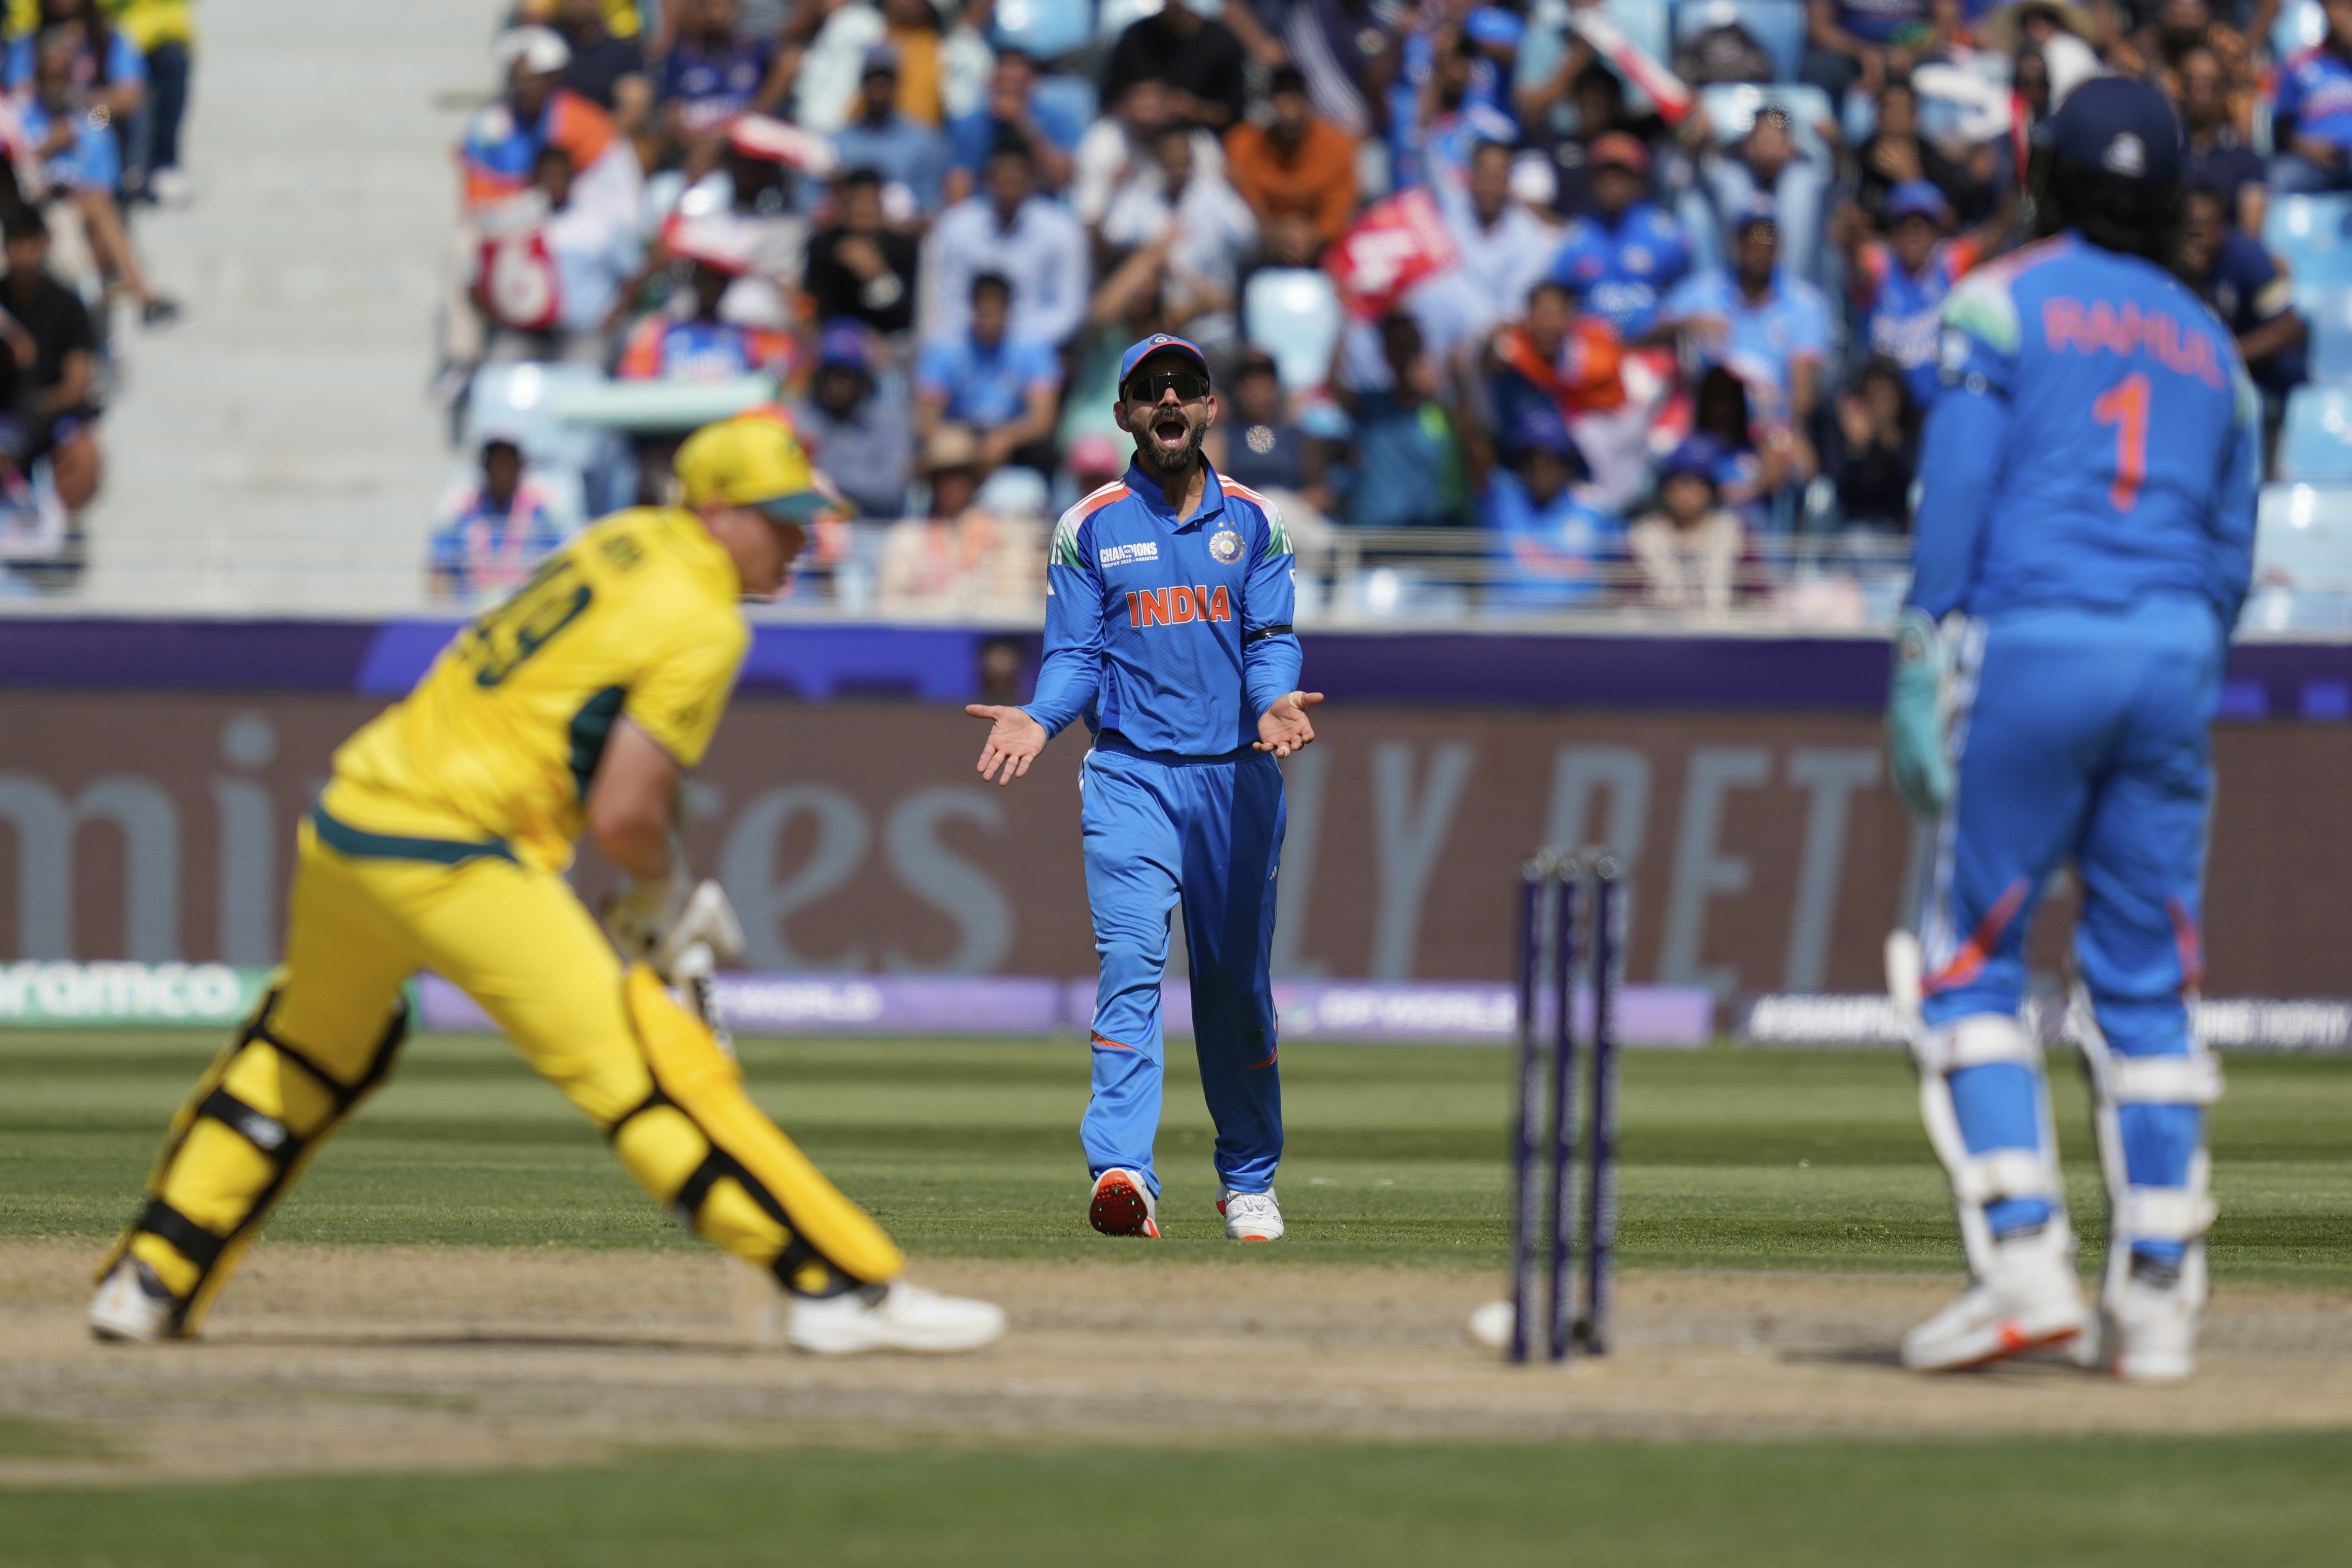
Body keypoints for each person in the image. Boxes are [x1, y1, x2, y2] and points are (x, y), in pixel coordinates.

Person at [87, 411, 1005, 1356]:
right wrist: (659, 898)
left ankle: (151, 1276)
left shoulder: (620, 539)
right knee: (646, 1077)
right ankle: (837, 1283)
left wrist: (651, 878)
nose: (802, 539)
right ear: (720, 513)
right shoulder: (703, 620)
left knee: (306, 1054)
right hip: (457, 851)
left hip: (352, 817)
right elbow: (625, 813)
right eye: (781, 519)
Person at [1886, 78, 2254, 1382]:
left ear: (2043, 170)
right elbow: (2225, 553)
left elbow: (1960, 489)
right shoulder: (2212, 345)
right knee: (2147, 986)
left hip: (2030, 641)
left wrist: (1924, 644)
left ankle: (2024, 1262)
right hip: (2166, 656)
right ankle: (2155, 1300)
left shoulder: (2000, 298)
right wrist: (2171, 662)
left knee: (1961, 960)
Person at [962, 332, 1319, 1244]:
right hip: (1129, 777)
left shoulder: (1257, 521)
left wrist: (1274, 699)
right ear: (1123, 413)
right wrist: (1041, 719)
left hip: (1237, 780)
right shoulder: (1089, 526)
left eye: (1186, 388)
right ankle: (1122, 1169)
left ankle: (1247, 1179)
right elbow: (1076, 655)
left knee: (1236, 988)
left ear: (1209, 409)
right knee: (1130, 970)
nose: (1169, 401)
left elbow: (1269, 637)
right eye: (1149, 390)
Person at [1660, 201, 1833, 428]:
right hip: (1707, 426)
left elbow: (1803, 393)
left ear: (1780, 248)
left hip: (1771, 428)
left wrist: (1785, 438)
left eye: (1767, 241)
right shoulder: (1702, 292)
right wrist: (1686, 324)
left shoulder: (1806, 302)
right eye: (1752, 241)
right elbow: (1647, 341)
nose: (1760, 250)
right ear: (1737, 245)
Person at [1842, 180, 1988, 410]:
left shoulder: (1950, 261)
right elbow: (1859, 275)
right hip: (1883, 412)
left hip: (1938, 405)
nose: (1914, 232)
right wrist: (1852, 243)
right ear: (1892, 231)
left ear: (1937, 232)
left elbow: (1995, 238)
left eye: (1924, 224)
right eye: (1905, 224)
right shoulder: (1879, 262)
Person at [929, 138, 1088, 349]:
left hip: (1036, 349)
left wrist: (1015, 340)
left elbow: (1069, 311)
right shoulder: (955, 228)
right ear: (987, 180)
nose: (1008, 188)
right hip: (968, 346)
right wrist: (983, 333)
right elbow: (947, 303)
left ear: (1031, 181)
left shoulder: (1063, 230)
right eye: (1002, 178)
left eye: (1016, 179)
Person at [1543, 133, 1691, 342]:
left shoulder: (1666, 233)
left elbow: (1686, 293)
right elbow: (1557, 295)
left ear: (1638, 182)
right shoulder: (1575, 237)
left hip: (1653, 349)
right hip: (1593, 353)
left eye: (1621, 176)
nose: (1612, 184)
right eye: (1604, 176)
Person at [1329, 312, 1471, 528]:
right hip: (1376, 533)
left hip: (1429, 534)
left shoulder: (1441, 407)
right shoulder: (1370, 405)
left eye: (1410, 346)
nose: (1404, 356)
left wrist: (1443, 392)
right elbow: (1334, 385)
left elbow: (1471, 446)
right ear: (1386, 353)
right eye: (1397, 347)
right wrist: (1348, 319)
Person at [0, 206, 101, 509]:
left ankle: (63, 539)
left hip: (52, 415)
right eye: (13, 242)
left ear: (45, 242)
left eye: (28, 241)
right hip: (5, 414)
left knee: (84, 458)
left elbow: (78, 381)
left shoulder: (67, 305)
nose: (21, 252)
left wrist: (43, 406)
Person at [914, 272, 1063, 475]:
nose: (990, 319)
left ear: (1009, 308)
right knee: (938, 454)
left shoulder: (1034, 348)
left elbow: (1043, 419)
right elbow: (927, 421)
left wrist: (1006, 438)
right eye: (984, 310)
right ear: (973, 307)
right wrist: (966, 446)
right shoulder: (943, 348)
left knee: (1045, 452)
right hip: (959, 437)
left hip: (1013, 440)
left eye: (997, 310)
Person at [2175, 184, 2307, 403]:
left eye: (2204, 229)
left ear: (2222, 228)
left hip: (2248, 358)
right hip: (2185, 360)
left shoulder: (2247, 256)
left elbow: (2290, 329)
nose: (2196, 238)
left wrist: (2226, 354)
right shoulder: (2169, 262)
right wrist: (2188, 279)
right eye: (2189, 229)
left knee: (2290, 365)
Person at [1481, 410, 1621, 612]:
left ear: (1567, 465)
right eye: (1530, 461)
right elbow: (1476, 451)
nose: (1539, 470)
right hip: (1506, 635)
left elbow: (1616, 576)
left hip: (1570, 636)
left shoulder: (1594, 514)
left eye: (1549, 461)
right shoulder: (1502, 500)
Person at [1222, 66, 1359, 254]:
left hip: (1319, 244)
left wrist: (1313, 236)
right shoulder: (1242, 143)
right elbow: (1242, 198)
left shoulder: (1338, 146)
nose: (1289, 111)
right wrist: (1272, 232)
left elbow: (1339, 206)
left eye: (1296, 97)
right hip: (1262, 240)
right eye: (1281, 98)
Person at [427, 436, 572, 599]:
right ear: (484, 466)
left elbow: (563, 564)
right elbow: (439, 573)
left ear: (520, 466)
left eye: (508, 462)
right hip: (470, 612)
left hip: (527, 611)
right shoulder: (460, 511)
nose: (502, 470)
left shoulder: (543, 510)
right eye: (495, 461)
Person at [792, 323, 913, 518]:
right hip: (814, 528)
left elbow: (891, 491)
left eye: (846, 376)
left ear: (863, 379)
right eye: (831, 375)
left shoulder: (890, 420)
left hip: (874, 530)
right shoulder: (802, 416)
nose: (837, 385)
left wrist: (824, 478)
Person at [1626, 436, 1754, 612]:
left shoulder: (1734, 530)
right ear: (1666, 488)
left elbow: (1757, 597)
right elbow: (1627, 602)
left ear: (1710, 489)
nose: (1686, 492)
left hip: (1721, 632)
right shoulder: (1643, 535)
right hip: (1659, 634)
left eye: (1696, 482)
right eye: (1680, 482)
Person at [829, 45, 949, 217]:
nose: (879, 85)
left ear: (897, 82)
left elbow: (930, 208)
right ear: (862, 83)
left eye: (886, 78)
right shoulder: (837, 143)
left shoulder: (924, 141)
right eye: (872, 78)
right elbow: (813, 206)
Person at [803, 167, 919, 336]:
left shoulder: (903, 247)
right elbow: (815, 305)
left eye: (871, 203)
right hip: (835, 340)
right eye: (857, 203)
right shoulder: (823, 245)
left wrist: (878, 275)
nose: (864, 212)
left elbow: (905, 317)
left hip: (888, 341)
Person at [1103, 0, 1249, 132]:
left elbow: (1232, 114)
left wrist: (1191, 108)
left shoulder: (1220, 42)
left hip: (1198, 139)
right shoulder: (1135, 37)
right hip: (1136, 140)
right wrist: (1141, 104)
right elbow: (1109, 104)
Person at [2177, 46, 2266, 236]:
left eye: (2212, 85)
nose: (2201, 92)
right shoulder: (2164, 155)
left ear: (2224, 92)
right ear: (2180, 89)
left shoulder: (2247, 163)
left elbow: (2250, 237)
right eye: (2192, 83)